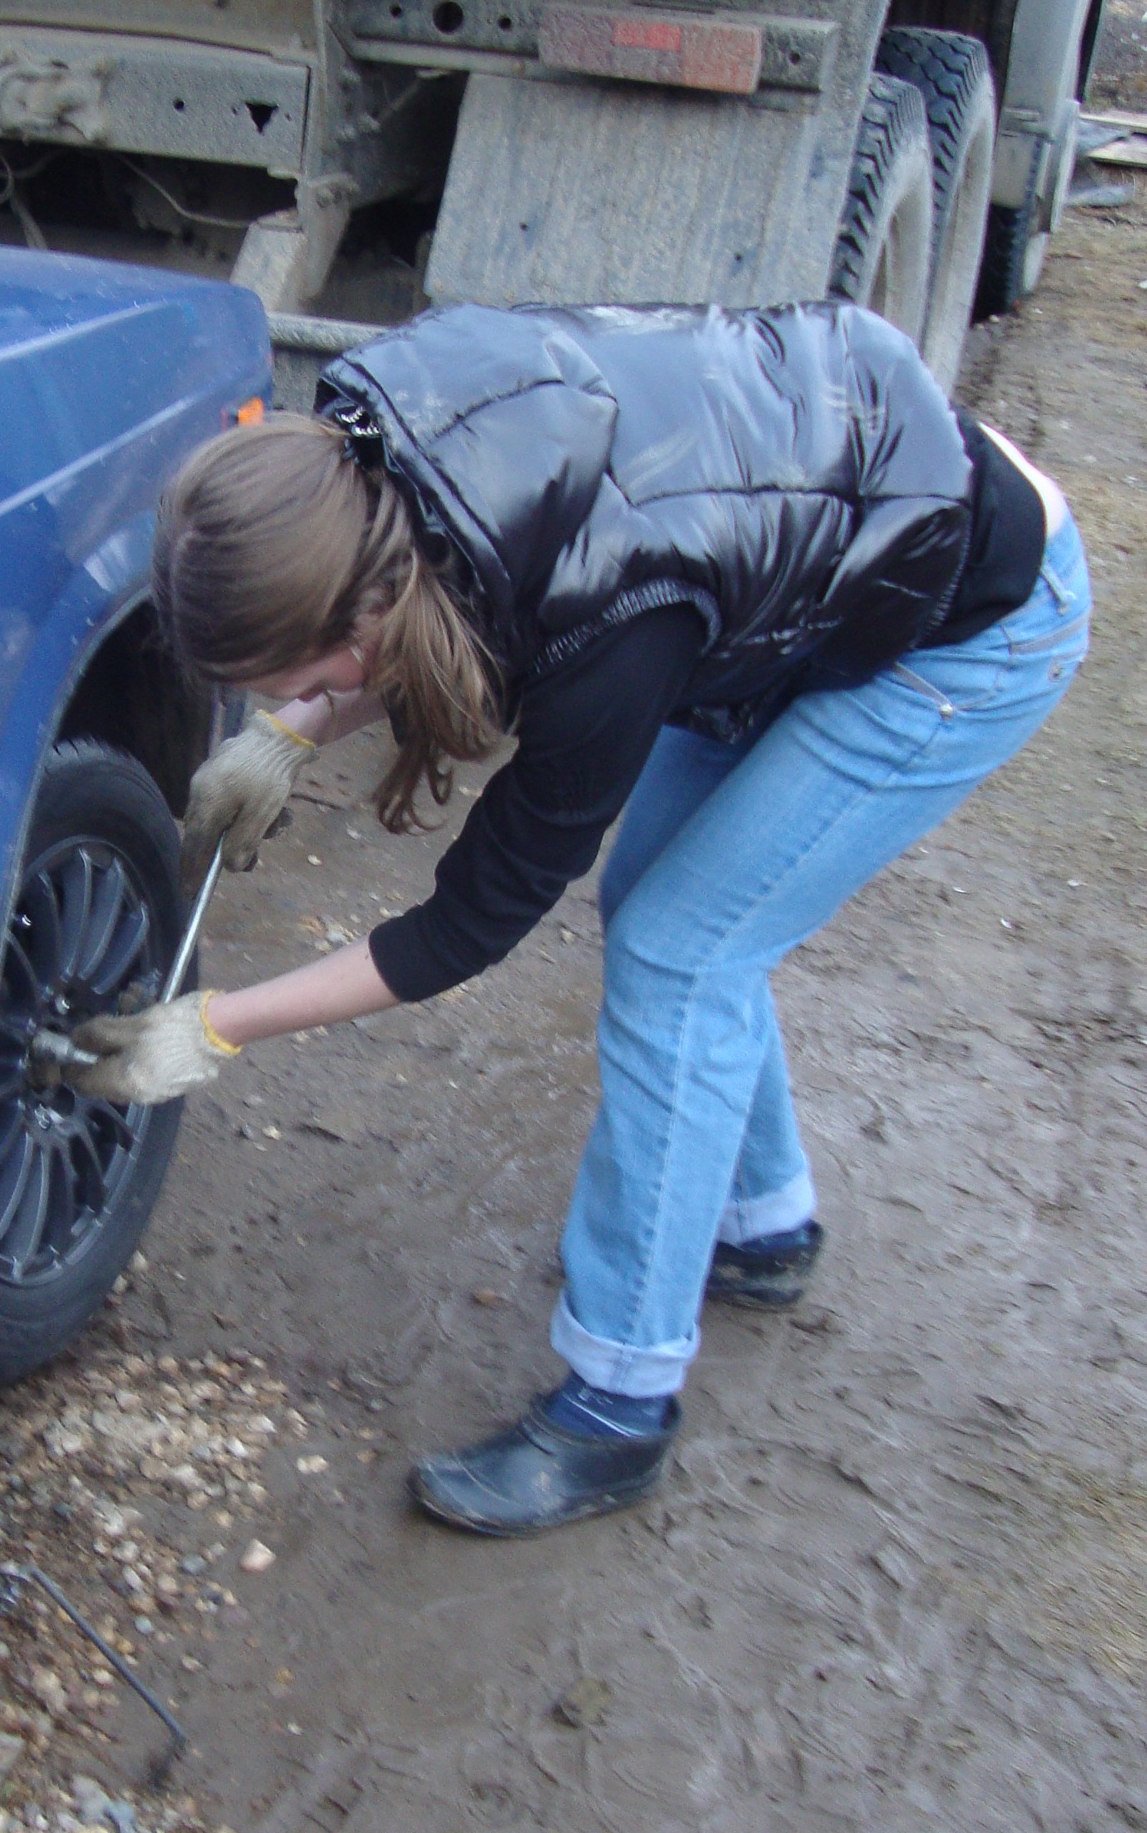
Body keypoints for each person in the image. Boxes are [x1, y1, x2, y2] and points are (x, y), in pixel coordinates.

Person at [70, 300, 1089, 1537]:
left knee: (679, 952)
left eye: (293, 684)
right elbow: (420, 625)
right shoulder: (366, 449)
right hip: (808, 545)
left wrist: (220, 1026)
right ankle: (766, 1229)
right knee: (668, 913)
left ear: (360, 612)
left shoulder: (608, 633)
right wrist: (288, 737)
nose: (292, 704)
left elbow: (468, 929)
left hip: (963, 632)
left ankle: (621, 1405)